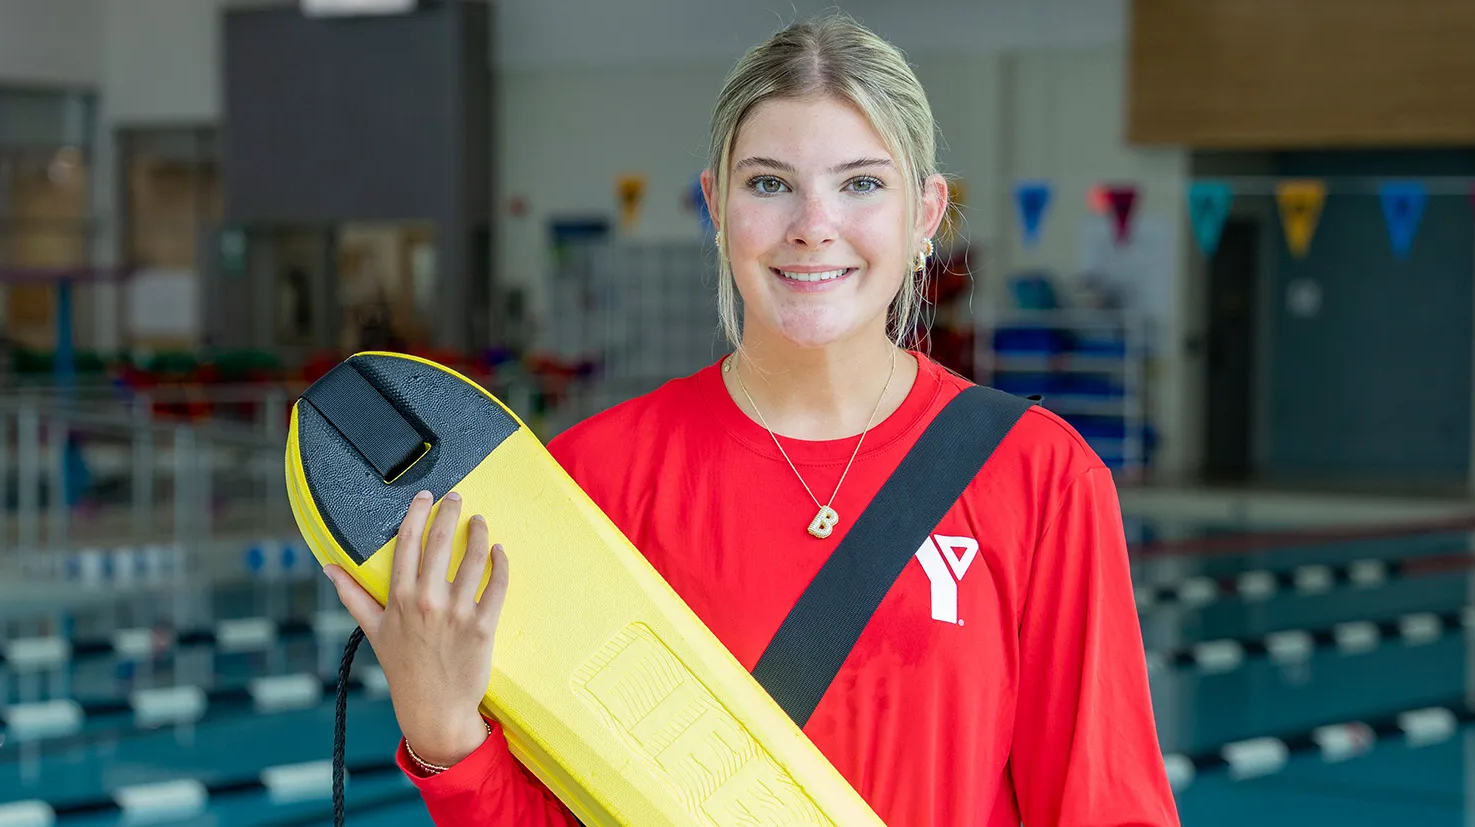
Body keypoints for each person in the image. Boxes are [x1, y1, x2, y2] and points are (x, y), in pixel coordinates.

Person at [321, 14, 1180, 827]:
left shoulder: (1040, 478)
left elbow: (1105, 804)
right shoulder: (594, 480)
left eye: (861, 185)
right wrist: (442, 734)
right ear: (717, 206)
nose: (814, 227)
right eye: (770, 183)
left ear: (924, 215)